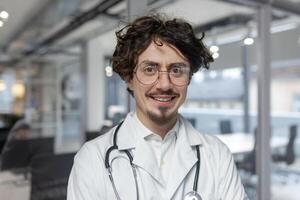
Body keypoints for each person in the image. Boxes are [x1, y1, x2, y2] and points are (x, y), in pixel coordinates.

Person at [67, 14, 248, 200]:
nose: (164, 84)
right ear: (129, 78)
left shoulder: (217, 155)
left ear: (189, 79)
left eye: (176, 70)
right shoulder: (91, 159)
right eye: (150, 69)